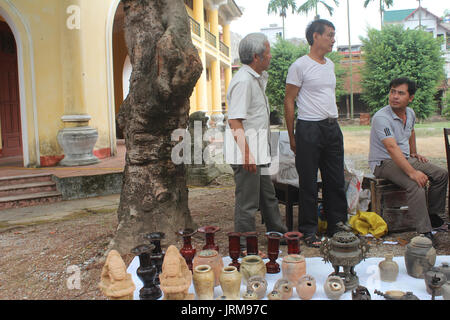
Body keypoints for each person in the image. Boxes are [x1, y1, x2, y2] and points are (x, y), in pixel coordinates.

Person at [284, 19, 348, 247]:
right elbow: (289, 101)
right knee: (309, 182)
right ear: (315, 37)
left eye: (333, 35)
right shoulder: (299, 66)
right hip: (309, 128)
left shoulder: (329, 65)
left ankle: (337, 226)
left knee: (336, 180)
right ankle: (309, 231)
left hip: (332, 128)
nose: (333, 39)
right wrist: (292, 135)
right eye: (329, 35)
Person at [224, 33, 288, 251]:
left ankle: (277, 233)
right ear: (256, 56)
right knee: (248, 202)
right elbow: (234, 120)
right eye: (268, 51)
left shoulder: (254, 78)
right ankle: (243, 245)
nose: (271, 56)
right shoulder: (243, 81)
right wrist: (247, 154)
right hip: (246, 152)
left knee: (268, 195)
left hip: (255, 150)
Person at [369, 77, 448, 243]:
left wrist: (414, 152)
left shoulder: (410, 113)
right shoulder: (381, 117)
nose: (395, 96)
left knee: (441, 174)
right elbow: (391, 148)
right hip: (383, 162)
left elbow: (411, 131)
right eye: (392, 92)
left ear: (410, 97)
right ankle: (424, 232)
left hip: (403, 158)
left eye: (400, 93)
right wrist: (412, 172)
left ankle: (433, 216)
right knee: (415, 183)